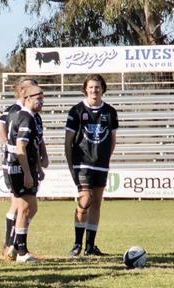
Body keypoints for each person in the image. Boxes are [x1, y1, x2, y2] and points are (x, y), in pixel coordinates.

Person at [0, 77, 48, 260]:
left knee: (30, 207)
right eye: (38, 98)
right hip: (18, 167)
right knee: (24, 207)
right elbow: (21, 147)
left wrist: (39, 166)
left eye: (43, 98)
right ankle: (20, 251)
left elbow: (34, 142)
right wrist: (26, 173)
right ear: (27, 98)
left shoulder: (34, 117)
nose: (41, 101)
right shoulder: (24, 117)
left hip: (28, 166)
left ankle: (16, 246)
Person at [65, 74, 118, 257]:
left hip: (101, 164)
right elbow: (68, 141)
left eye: (97, 87)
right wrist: (71, 164)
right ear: (85, 89)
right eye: (91, 87)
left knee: (96, 203)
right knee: (85, 200)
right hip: (82, 163)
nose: (94, 90)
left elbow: (112, 140)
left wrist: (104, 158)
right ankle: (77, 243)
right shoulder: (76, 111)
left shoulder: (110, 112)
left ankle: (90, 246)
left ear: (103, 89)